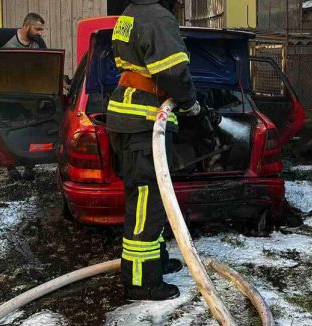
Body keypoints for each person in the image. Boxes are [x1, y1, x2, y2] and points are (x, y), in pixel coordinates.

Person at [108, 0, 203, 301]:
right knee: (145, 202)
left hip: (128, 113)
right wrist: (190, 102)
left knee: (150, 198)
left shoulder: (130, 14)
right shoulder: (158, 18)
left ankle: (156, 260)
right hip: (144, 120)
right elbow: (172, 72)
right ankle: (141, 281)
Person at [0, 13, 47, 181]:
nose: (41, 33)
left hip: (27, 95)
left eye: (42, 30)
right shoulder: (4, 35)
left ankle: (29, 167)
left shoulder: (38, 43)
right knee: (5, 130)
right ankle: (11, 168)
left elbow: (46, 67)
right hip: (3, 94)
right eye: (38, 29)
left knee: (30, 130)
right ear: (26, 26)